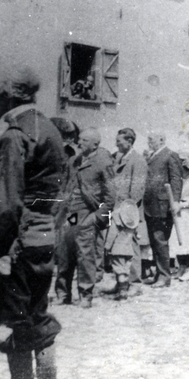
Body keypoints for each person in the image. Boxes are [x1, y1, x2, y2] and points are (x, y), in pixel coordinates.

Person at [0, 65, 65, 379]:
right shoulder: (51, 132)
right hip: (43, 238)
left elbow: (5, 203)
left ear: (10, 96)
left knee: (12, 323)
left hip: (15, 246)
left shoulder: (14, 136)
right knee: (39, 319)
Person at [55, 128, 115, 308]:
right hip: (71, 215)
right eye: (78, 139)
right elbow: (64, 188)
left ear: (95, 144)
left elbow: (111, 197)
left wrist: (97, 219)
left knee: (85, 255)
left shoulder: (103, 163)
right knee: (65, 252)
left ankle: (85, 294)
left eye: (83, 140)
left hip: (88, 215)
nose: (79, 142)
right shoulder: (73, 161)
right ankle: (63, 294)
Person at [104, 128, 147, 300]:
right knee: (119, 246)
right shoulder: (117, 158)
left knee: (131, 246)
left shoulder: (138, 161)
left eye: (119, 141)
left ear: (129, 142)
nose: (116, 144)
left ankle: (135, 283)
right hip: (116, 209)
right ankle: (121, 282)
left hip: (128, 211)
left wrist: (126, 212)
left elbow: (137, 190)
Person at [143, 131, 183, 287]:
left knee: (160, 240)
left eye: (151, 139)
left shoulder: (170, 155)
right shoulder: (152, 156)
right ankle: (160, 273)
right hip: (151, 205)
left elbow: (176, 179)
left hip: (163, 205)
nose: (149, 142)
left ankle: (165, 276)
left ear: (161, 139)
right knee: (154, 240)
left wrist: (176, 201)